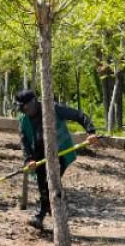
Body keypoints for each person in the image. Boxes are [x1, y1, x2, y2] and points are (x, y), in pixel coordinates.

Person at [15, 88, 98, 230]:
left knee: (51, 183)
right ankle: (49, 213)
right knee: (42, 185)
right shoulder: (23, 119)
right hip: (39, 155)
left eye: (24, 107)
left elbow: (79, 115)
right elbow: (25, 141)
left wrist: (91, 132)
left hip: (60, 152)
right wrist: (28, 159)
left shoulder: (52, 108)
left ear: (32, 103)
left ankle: (44, 215)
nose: (23, 110)